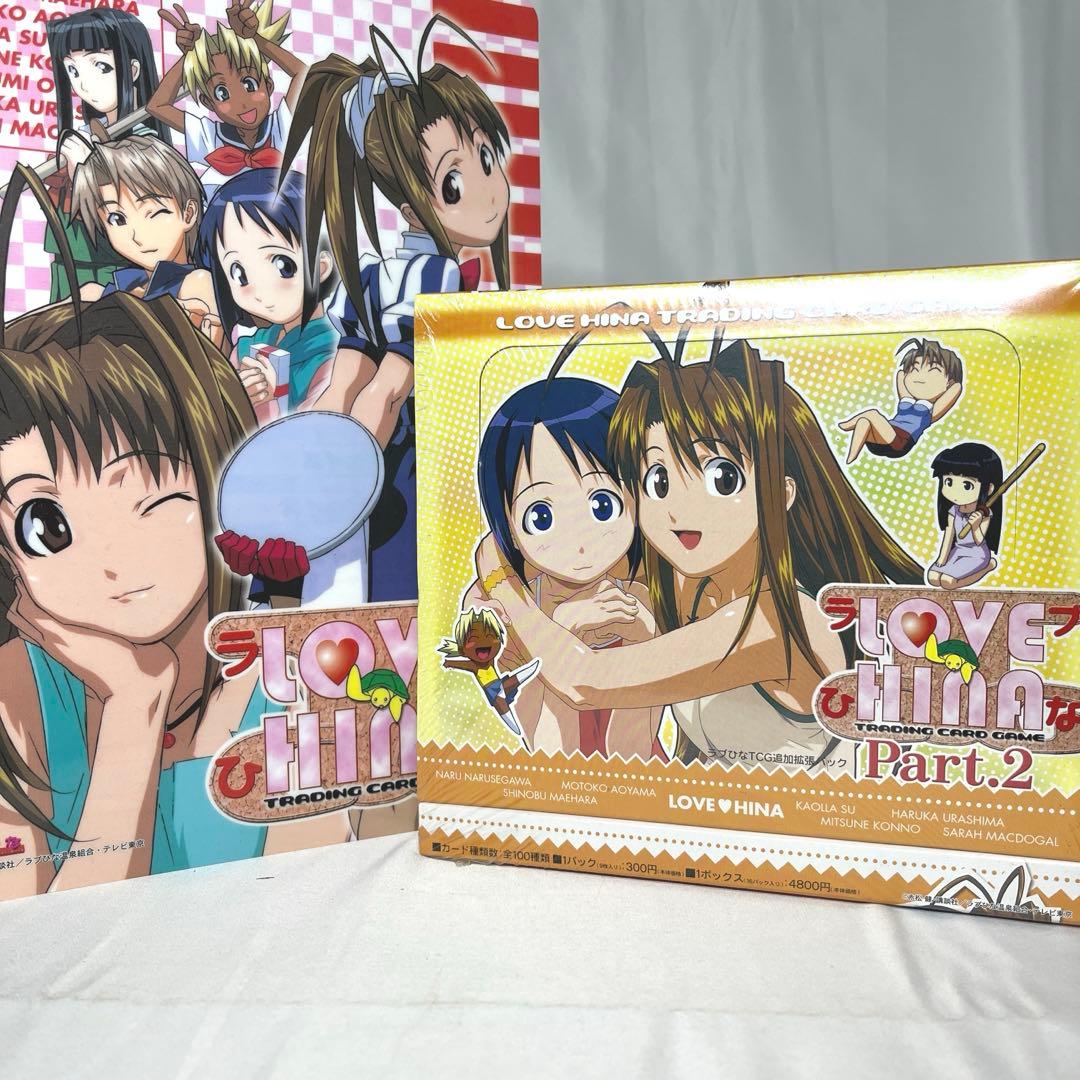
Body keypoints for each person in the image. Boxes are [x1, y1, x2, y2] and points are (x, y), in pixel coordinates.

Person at [0, 167, 346, 898]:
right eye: (45, 524)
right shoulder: (17, 694)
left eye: (146, 483)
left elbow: (305, 924)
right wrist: (133, 710)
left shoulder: (296, 691)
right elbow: (37, 944)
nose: (108, 559)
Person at [474, 330, 924, 771]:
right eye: (658, 481)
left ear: (781, 492)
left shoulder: (777, 622)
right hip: (702, 811)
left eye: (721, 478)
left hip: (798, 816)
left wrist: (500, 579)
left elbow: (585, 681)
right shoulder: (692, 581)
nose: (678, 509)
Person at [280, 15, 512, 602]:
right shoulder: (435, 279)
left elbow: (340, 387)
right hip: (406, 467)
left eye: (488, 159)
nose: (489, 191)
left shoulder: (373, 274)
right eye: (454, 183)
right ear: (410, 208)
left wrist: (304, 474)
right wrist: (334, 493)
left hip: (375, 462)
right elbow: (383, 390)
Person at [469, 362, 660, 760]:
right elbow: (551, 750)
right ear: (508, 528)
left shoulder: (647, 590)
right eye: (541, 517)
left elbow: (634, 751)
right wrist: (559, 634)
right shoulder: (500, 608)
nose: (579, 541)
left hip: (641, 777)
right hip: (558, 781)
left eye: (602, 505)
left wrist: (646, 639)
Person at [45, 9, 171, 301]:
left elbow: (136, 225)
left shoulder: (146, 146)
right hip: (68, 269)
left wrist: (84, 172)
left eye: (100, 66)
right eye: (73, 71)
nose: (83, 84)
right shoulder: (85, 135)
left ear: (133, 70)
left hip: (116, 277)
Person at [197, 168, 338, 422]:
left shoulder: (333, 356)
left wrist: (277, 396)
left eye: (284, 266)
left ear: (321, 267)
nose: (260, 291)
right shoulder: (246, 347)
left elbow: (320, 432)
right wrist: (232, 393)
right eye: (239, 273)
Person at [70, 135, 219, 344]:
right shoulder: (112, 289)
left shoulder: (196, 283)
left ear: (188, 213)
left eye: (154, 213)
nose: (137, 236)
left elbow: (206, 357)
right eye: (117, 219)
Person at [150, 1, 304, 196]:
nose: (242, 102)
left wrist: (254, 38)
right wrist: (188, 55)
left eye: (249, 85)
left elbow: (304, 74)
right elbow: (157, 105)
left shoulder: (278, 129)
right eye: (222, 93)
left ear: (268, 85)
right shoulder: (209, 137)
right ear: (208, 103)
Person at [839, 337, 964, 464]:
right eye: (915, 369)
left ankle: (845, 426)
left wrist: (951, 383)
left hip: (901, 442)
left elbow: (957, 387)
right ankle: (850, 458)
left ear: (948, 383)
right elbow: (900, 374)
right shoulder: (906, 399)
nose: (920, 376)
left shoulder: (930, 411)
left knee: (872, 414)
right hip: (882, 439)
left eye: (933, 370)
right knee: (864, 421)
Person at [926, 442, 1004, 589]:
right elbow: (949, 535)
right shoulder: (953, 510)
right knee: (933, 578)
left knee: (948, 582)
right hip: (957, 551)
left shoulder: (984, 514)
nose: (955, 493)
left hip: (977, 554)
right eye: (948, 482)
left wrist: (975, 526)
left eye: (967, 485)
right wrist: (941, 560)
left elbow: (979, 541)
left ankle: (988, 566)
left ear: (989, 489)